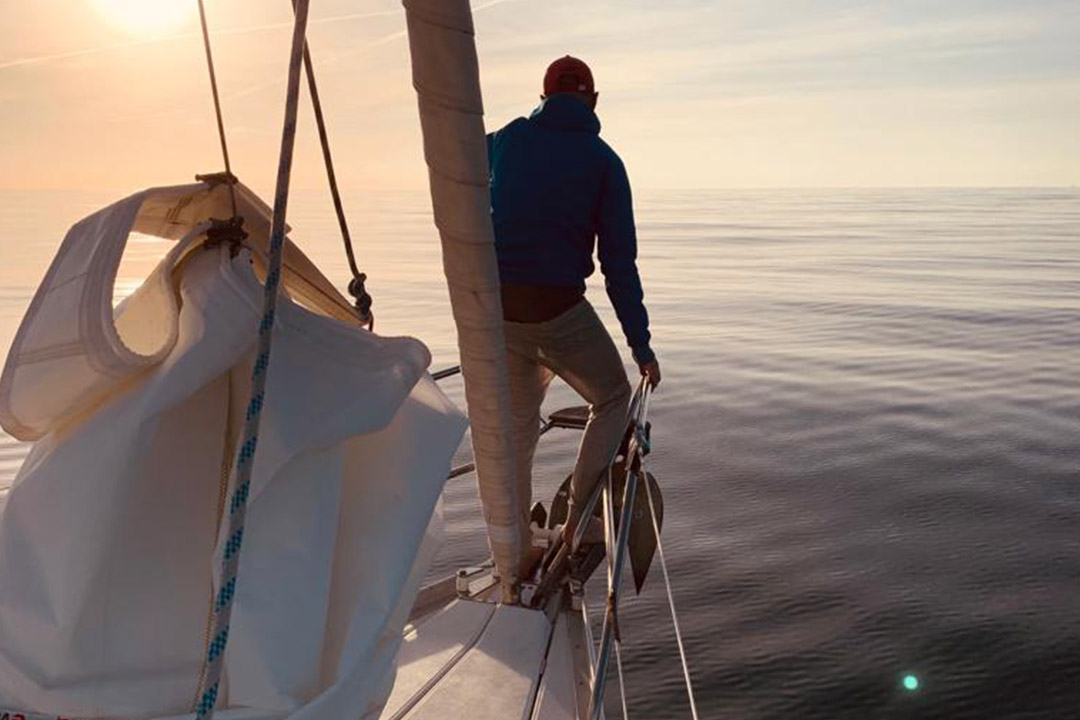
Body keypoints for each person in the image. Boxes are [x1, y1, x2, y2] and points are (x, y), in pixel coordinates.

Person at [487, 56, 660, 570]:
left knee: (518, 427)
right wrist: (641, 347)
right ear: (594, 100)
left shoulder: (504, 140)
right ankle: (577, 522)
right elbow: (618, 266)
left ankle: (514, 544)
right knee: (611, 397)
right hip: (558, 310)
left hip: (499, 311)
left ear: (542, 96)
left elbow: (465, 165)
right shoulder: (604, 161)